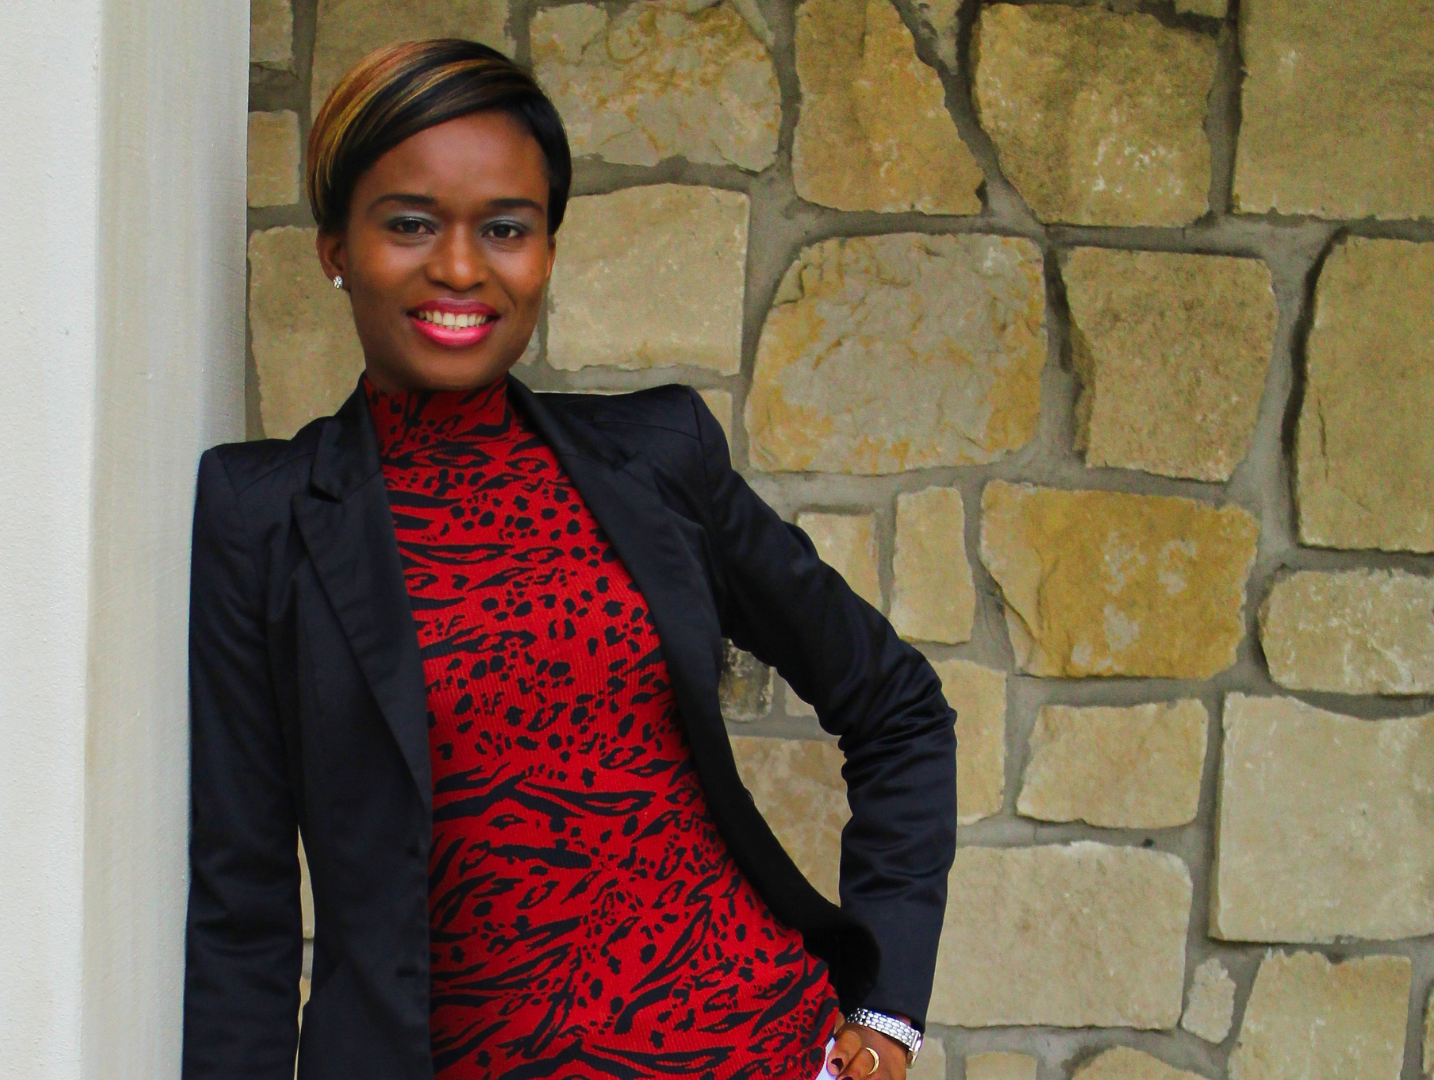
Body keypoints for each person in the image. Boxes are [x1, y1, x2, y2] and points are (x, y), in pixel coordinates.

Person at [185, 39, 956, 1080]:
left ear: (547, 250)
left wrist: (889, 1013)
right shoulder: (264, 516)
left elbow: (899, 708)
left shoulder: (658, 459)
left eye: (506, 228)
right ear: (334, 247)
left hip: (764, 1048)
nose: (461, 268)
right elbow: (243, 906)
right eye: (410, 223)